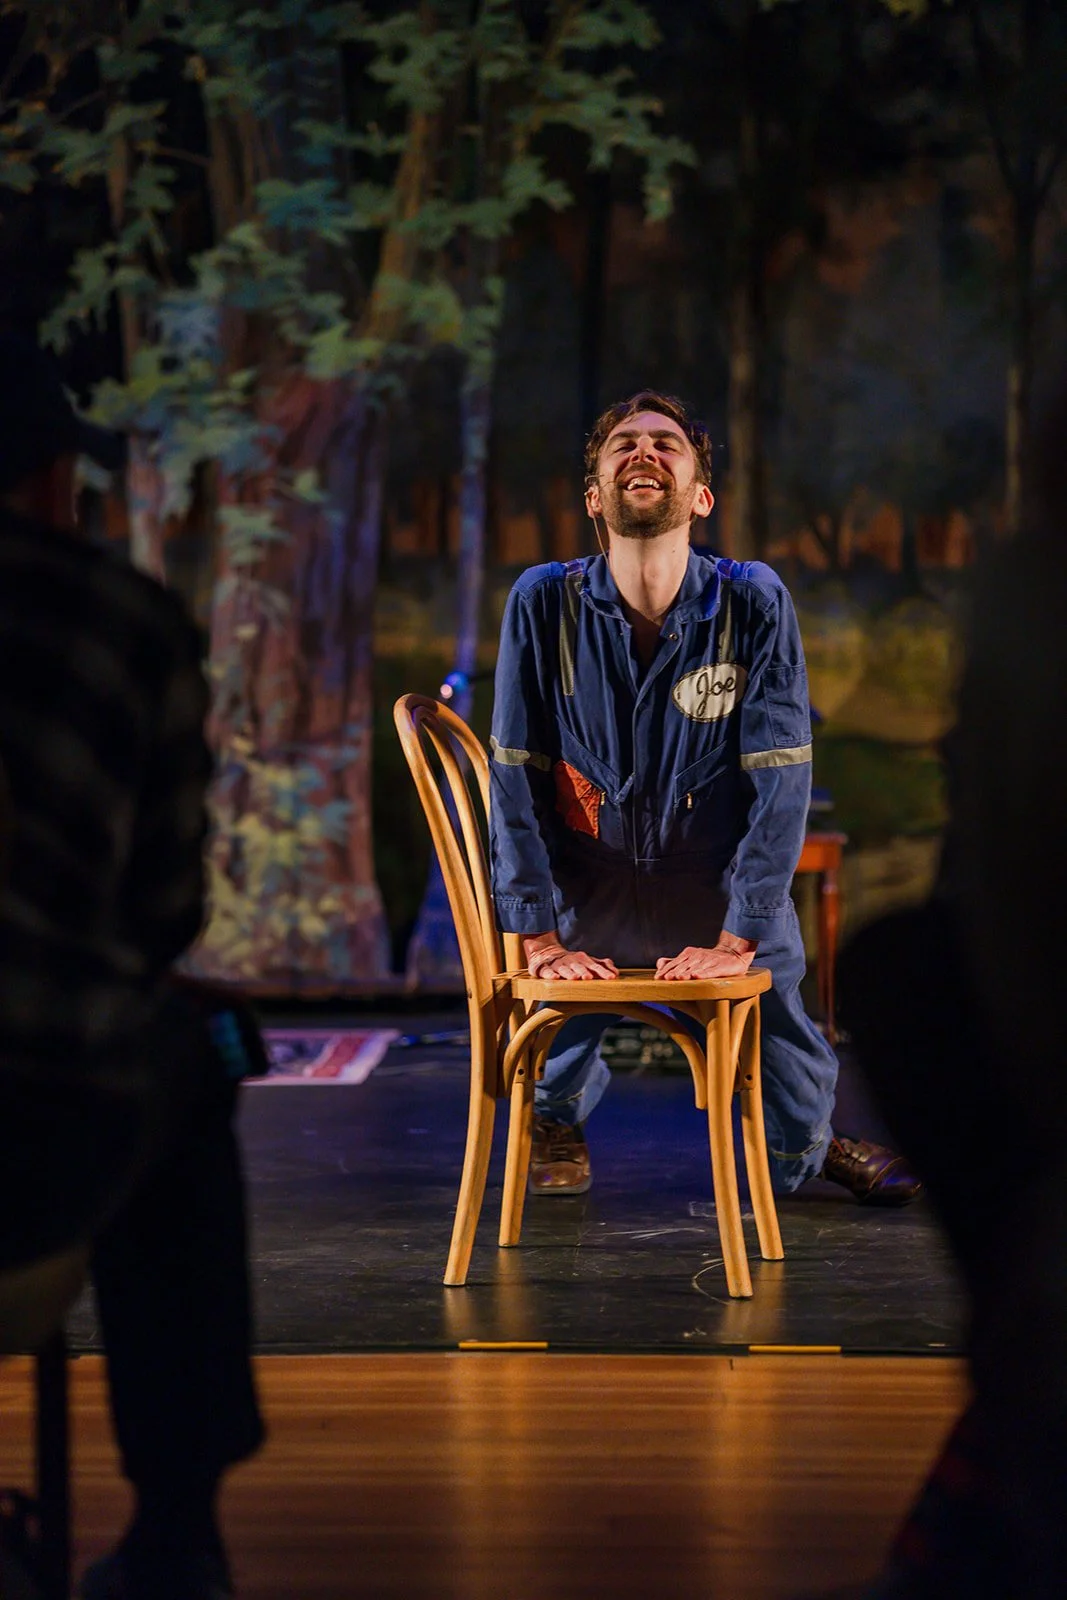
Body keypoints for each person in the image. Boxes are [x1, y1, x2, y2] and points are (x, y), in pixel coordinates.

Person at [488, 390, 919, 1203]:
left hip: (710, 881)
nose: (642, 453)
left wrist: (739, 932)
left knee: (780, 1047)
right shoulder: (542, 602)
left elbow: (781, 773)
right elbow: (512, 774)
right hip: (588, 882)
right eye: (622, 445)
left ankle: (809, 1143)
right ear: (594, 497)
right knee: (557, 1018)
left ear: (699, 495)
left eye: (664, 444)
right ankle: (552, 1112)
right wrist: (536, 932)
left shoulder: (751, 599)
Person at [0, 332, 263, 1600]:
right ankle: (176, 1525)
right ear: (56, 475)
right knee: (191, 1052)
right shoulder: (115, 618)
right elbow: (160, 917)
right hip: (27, 1141)